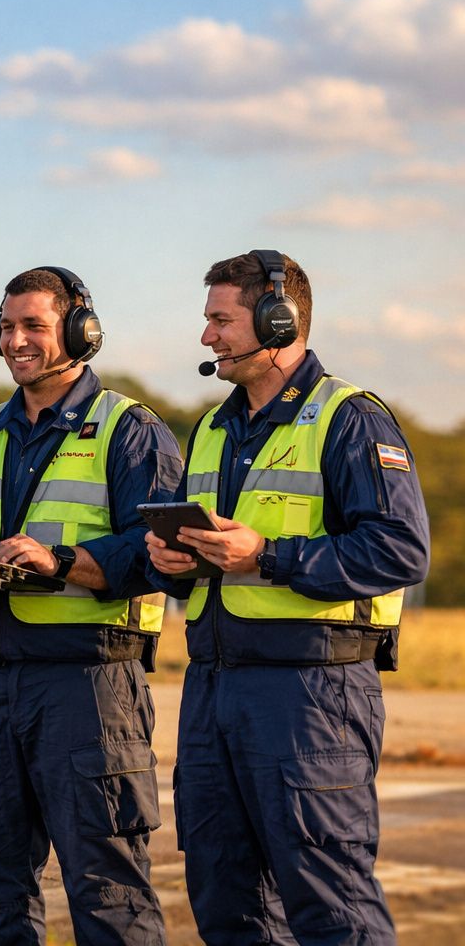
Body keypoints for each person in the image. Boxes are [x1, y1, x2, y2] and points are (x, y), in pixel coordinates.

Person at [146, 250, 429, 944]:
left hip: (311, 696)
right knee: (225, 900)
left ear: (279, 320)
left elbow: (401, 550)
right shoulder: (212, 427)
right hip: (213, 690)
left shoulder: (351, 419)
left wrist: (267, 557)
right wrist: (172, 562)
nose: (207, 337)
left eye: (221, 320)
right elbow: (211, 558)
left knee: (330, 906)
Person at [0, 267, 180, 944]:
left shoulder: (129, 430)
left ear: (81, 332)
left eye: (34, 325)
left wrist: (61, 563)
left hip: (87, 687)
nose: (15, 339)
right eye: (6, 325)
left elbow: (162, 553)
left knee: (109, 893)